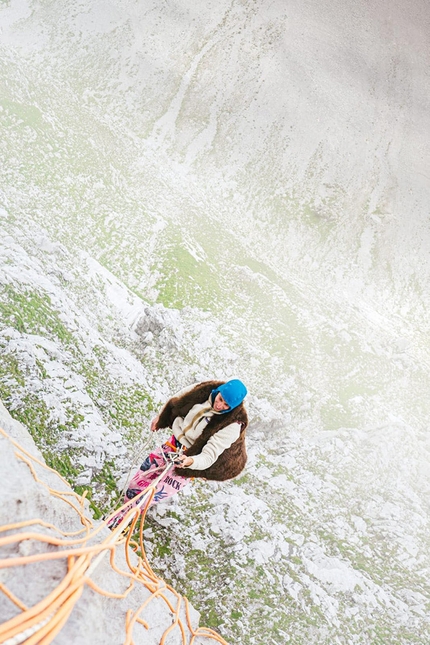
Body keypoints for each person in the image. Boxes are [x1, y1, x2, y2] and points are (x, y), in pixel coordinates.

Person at [108, 379, 248, 528]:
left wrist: (190, 461)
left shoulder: (232, 426)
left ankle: (118, 525)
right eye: (220, 399)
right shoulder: (202, 390)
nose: (220, 406)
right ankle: (118, 517)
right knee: (138, 482)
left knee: (149, 495)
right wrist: (160, 417)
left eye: (226, 405)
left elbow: (209, 456)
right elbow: (177, 400)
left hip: (189, 460)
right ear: (218, 391)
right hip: (173, 444)